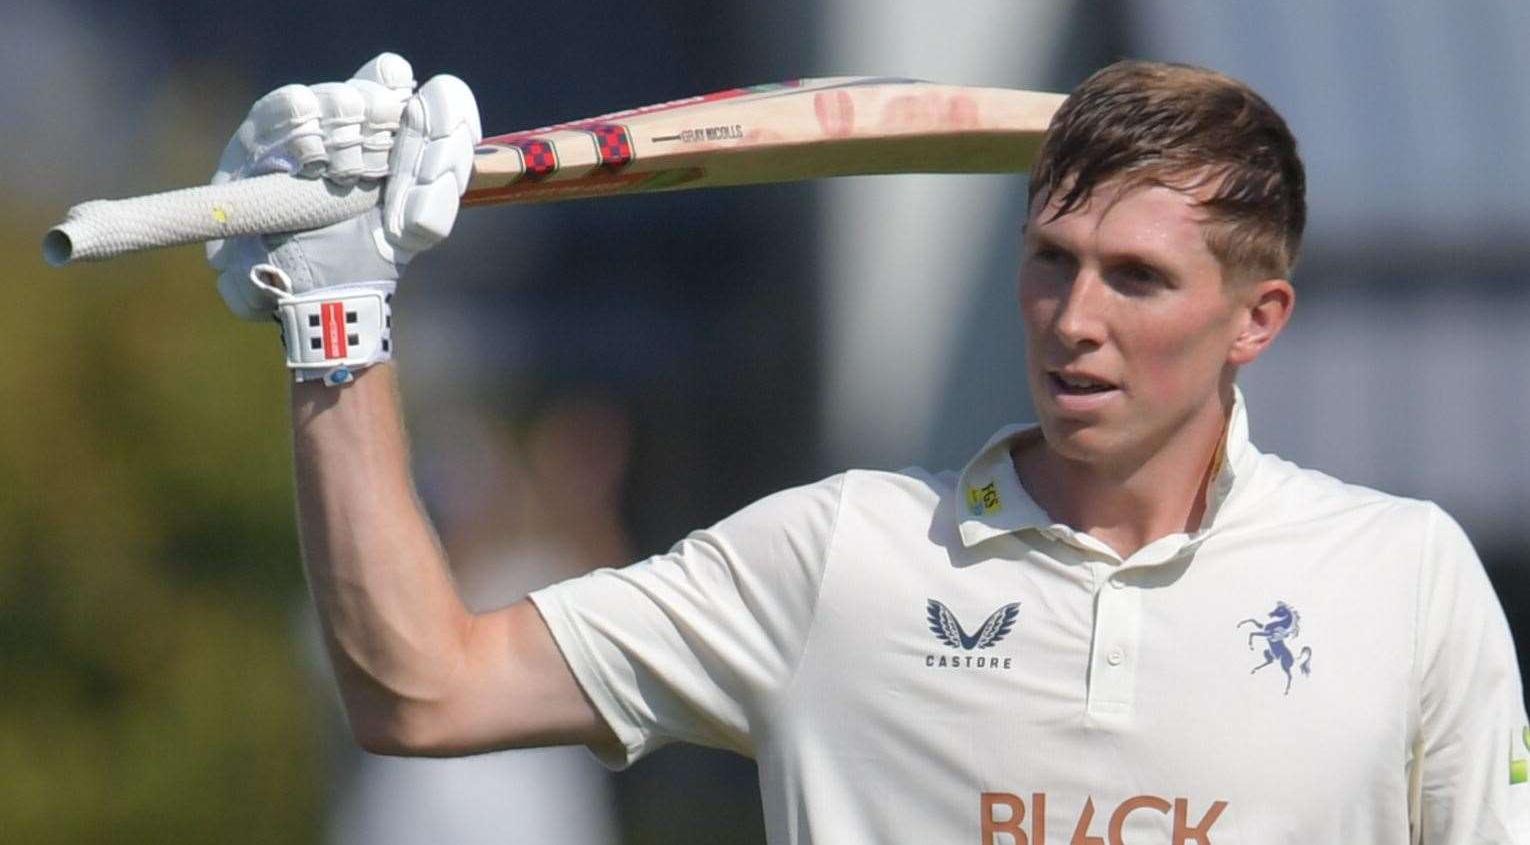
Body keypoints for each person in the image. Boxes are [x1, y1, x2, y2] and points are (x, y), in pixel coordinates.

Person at [208, 54, 1530, 843]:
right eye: (1049, 264)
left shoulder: (1402, 580)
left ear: (1258, 318)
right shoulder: (836, 554)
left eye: (1135, 279)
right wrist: (339, 315)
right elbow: (423, 689)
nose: (1073, 321)